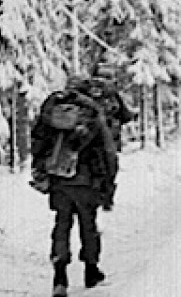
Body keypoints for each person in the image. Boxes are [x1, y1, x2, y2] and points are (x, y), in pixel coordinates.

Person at [31, 83, 118, 297]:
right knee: (88, 225)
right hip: (87, 182)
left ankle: (59, 275)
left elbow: (38, 145)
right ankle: (91, 270)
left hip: (59, 181)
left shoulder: (52, 114)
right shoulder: (92, 116)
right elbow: (108, 153)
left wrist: (41, 173)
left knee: (62, 224)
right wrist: (109, 185)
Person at [71, 65, 135, 209]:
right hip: (107, 139)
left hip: (86, 137)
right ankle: (106, 197)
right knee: (110, 165)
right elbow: (125, 115)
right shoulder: (112, 94)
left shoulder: (85, 92)